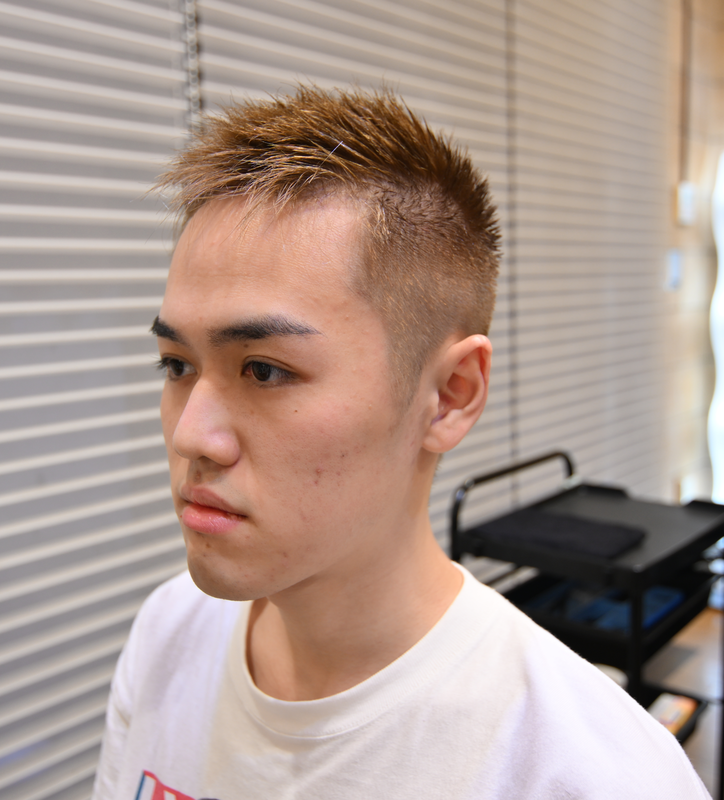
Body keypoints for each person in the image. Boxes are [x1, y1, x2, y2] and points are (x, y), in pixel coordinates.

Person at [92, 85, 710, 800]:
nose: (190, 434)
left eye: (264, 370)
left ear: (449, 396)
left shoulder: (589, 776)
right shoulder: (170, 632)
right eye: (177, 366)